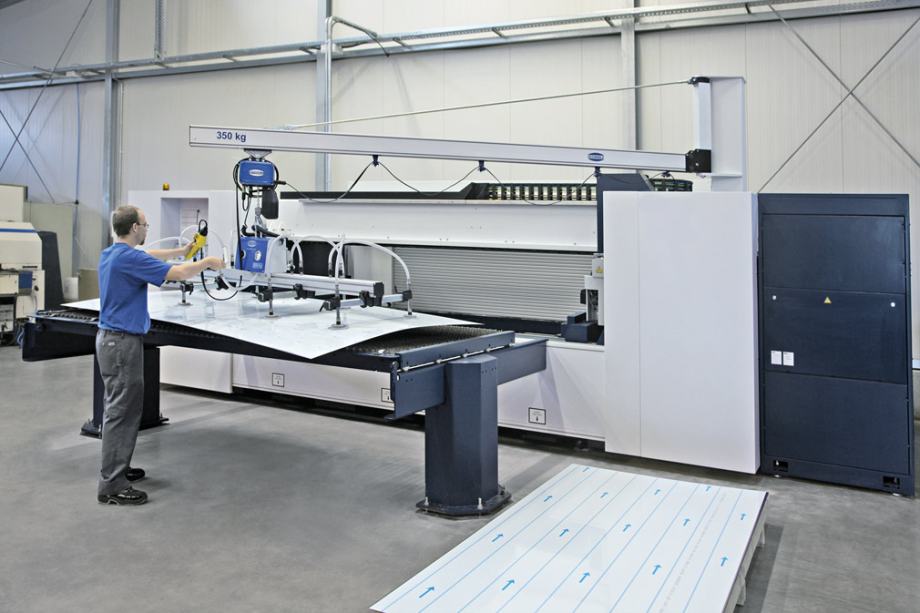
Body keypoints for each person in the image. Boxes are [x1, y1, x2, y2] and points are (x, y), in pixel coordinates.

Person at [96, 205, 223, 506]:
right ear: (135, 227)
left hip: (112, 341)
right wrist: (208, 262)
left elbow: (150, 256)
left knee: (123, 410)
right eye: (145, 224)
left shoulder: (112, 254)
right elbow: (179, 274)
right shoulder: (130, 258)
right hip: (122, 344)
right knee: (121, 413)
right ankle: (111, 485)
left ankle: (119, 468)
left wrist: (182, 250)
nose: (147, 228)